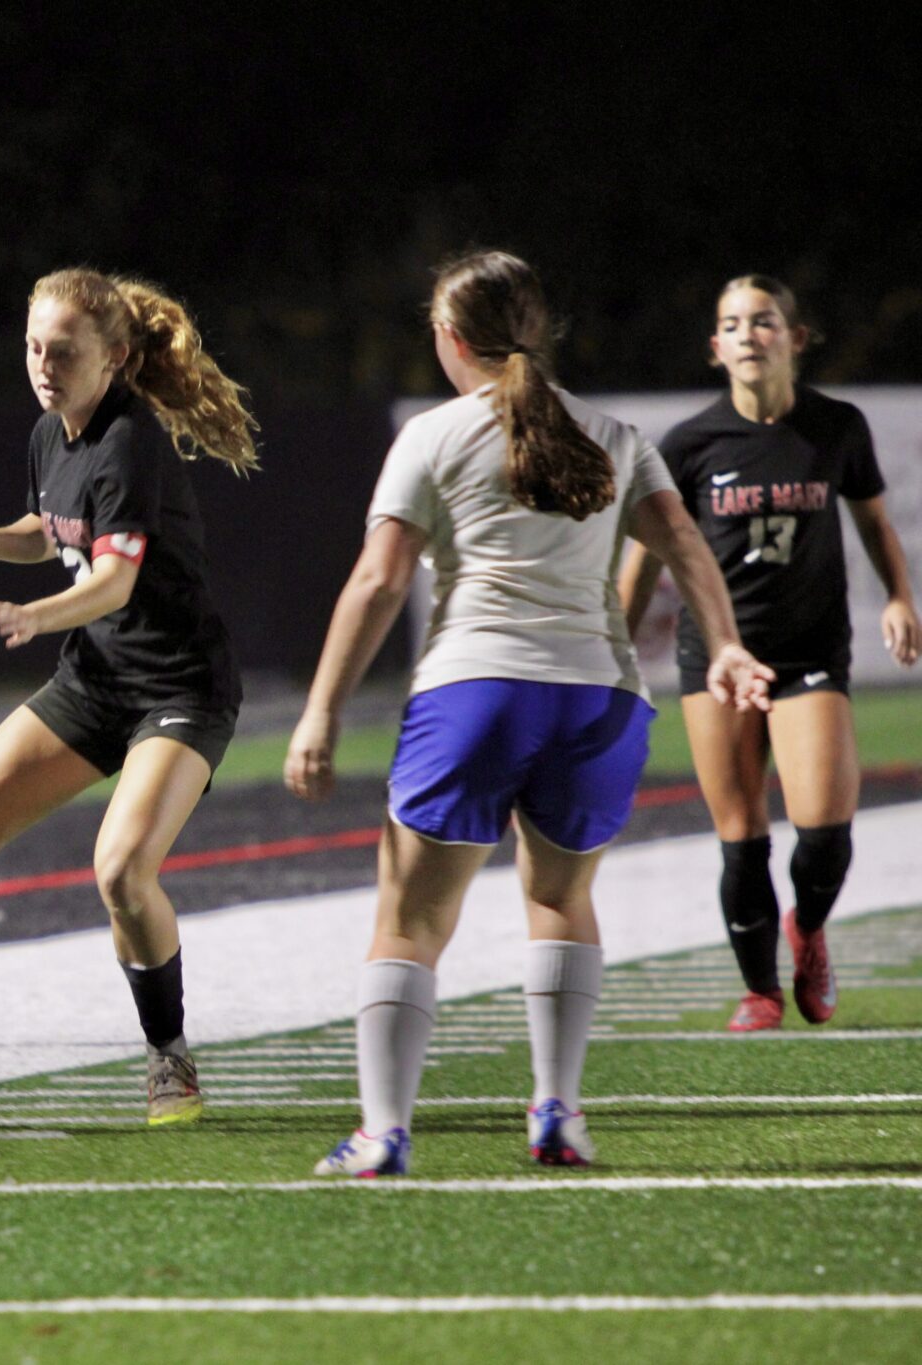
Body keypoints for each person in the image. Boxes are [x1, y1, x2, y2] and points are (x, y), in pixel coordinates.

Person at [288, 250, 771, 1177]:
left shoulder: (431, 436)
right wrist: (731, 643)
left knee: (410, 922)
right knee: (560, 899)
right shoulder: (613, 433)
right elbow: (683, 544)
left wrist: (321, 710)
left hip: (477, 691)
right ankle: (558, 1113)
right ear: (536, 329)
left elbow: (379, 579)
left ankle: (383, 1132)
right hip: (598, 700)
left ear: (449, 337)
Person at [0, 268, 261, 1128]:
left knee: (123, 873)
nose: (44, 364)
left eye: (63, 351)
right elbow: (55, 529)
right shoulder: (48, 433)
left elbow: (111, 576)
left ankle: (169, 1056)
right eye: (34, 346)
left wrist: (37, 614)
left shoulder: (132, 439)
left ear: (116, 357)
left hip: (177, 689)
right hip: (95, 683)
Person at [619, 276, 918, 1032]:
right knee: (742, 836)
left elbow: (876, 523)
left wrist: (899, 596)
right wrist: (613, 649)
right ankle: (759, 990)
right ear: (715, 348)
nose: (748, 334)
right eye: (732, 323)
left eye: (764, 321)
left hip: (811, 650)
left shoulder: (836, 427)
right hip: (719, 656)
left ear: (795, 337)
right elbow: (648, 552)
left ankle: (809, 930)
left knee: (823, 834)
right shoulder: (687, 444)